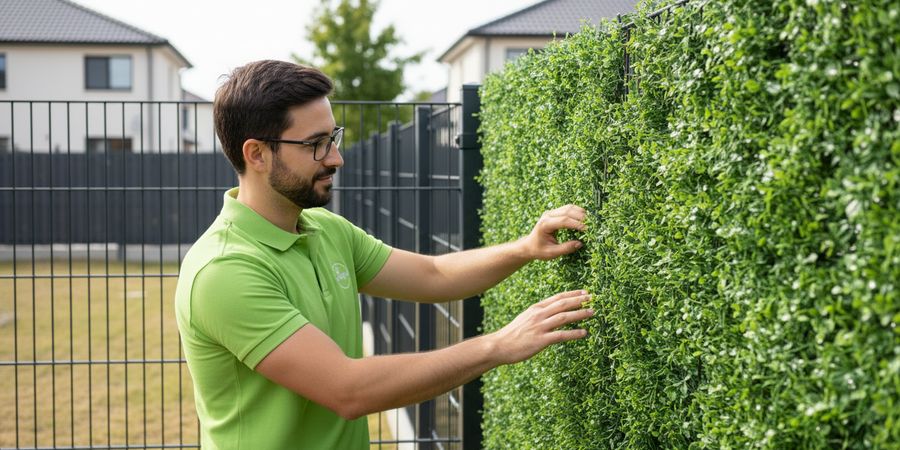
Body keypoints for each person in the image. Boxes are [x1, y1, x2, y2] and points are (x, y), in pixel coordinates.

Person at [174, 59, 593, 449]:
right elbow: (348, 389)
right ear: (257, 154)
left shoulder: (325, 230)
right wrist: (497, 346)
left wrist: (524, 248)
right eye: (316, 144)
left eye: (333, 138)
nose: (336, 158)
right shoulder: (224, 270)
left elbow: (432, 274)